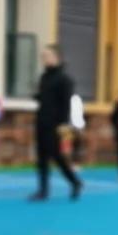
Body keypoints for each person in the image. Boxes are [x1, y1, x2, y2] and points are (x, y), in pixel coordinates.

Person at [31, 45, 82, 201]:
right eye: (43, 56)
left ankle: (75, 181)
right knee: (41, 157)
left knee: (57, 156)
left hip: (56, 124)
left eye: (48, 56)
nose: (45, 59)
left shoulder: (64, 79)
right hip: (42, 121)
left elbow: (66, 103)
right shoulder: (44, 77)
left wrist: (63, 124)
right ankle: (43, 190)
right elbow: (44, 98)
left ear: (56, 57)